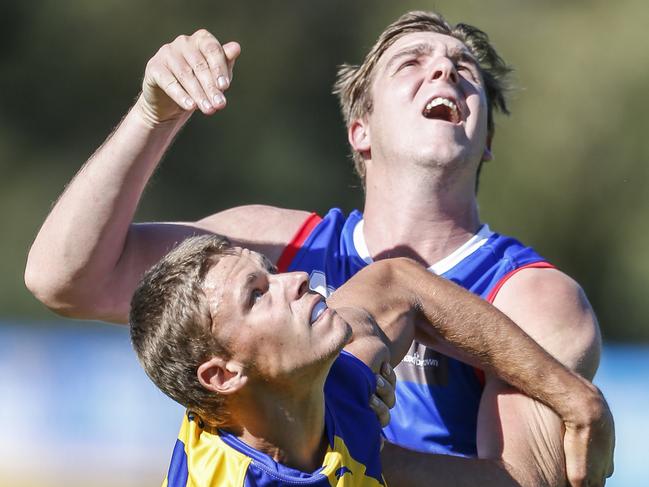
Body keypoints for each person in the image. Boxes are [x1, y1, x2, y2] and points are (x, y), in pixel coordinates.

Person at [25, 10, 614, 487]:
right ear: (361, 128)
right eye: (413, 62)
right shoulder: (272, 248)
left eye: (464, 70)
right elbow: (65, 279)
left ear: (486, 139)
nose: (445, 73)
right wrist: (154, 114)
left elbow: (528, 484)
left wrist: (341, 450)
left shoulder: (535, 298)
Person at [130, 234, 605, 487]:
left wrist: (578, 401)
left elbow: (397, 284)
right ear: (224, 374)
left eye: (270, 272)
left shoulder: (336, 375)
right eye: (257, 295)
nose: (294, 279)